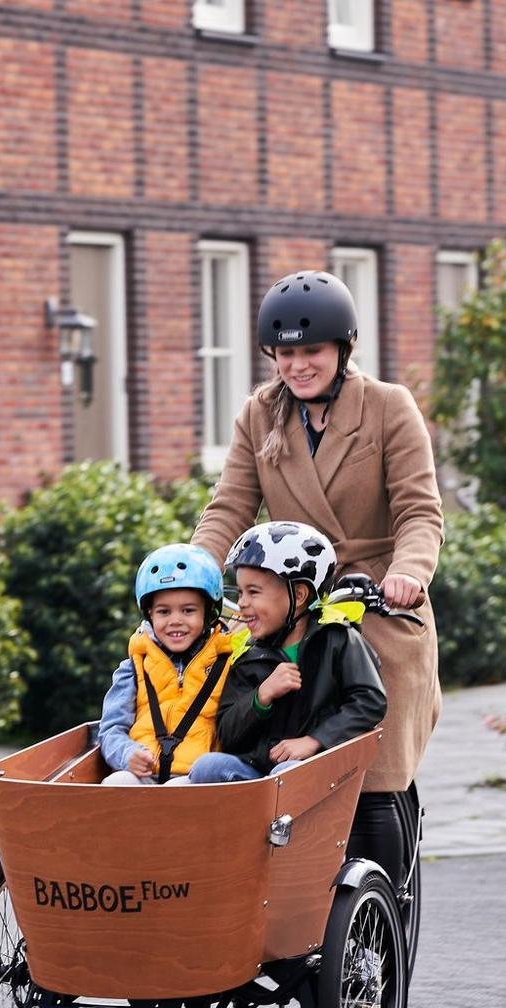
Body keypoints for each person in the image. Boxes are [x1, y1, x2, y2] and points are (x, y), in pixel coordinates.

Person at [192, 269, 444, 881]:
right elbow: (230, 507)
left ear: (342, 348)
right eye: (285, 354)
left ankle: (383, 904)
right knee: (250, 734)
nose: (298, 365)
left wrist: (408, 573)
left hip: (377, 601)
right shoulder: (260, 415)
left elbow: (419, 511)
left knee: (377, 763)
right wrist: (191, 575)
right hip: (293, 604)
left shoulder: (388, 407)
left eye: (312, 351)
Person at [187, 521, 386, 783]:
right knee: (207, 766)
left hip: (317, 766)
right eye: (241, 592)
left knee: (288, 774)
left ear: (299, 595)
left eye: (253, 592)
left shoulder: (338, 640)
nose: (242, 603)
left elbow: (370, 701)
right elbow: (227, 733)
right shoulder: (247, 656)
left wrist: (315, 740)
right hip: (259, 771)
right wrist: (260, 697)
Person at [98, 543, 234, 785]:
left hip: (196, 780)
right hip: (145, 773)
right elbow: (111, 729)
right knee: (117, 783)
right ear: (150, 614)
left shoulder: (227, 663)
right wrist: (128, 754)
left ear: (208, 613)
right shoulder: (134, 667)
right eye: (164, 612)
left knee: (176, 789)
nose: (175, 621)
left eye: (188, 611)